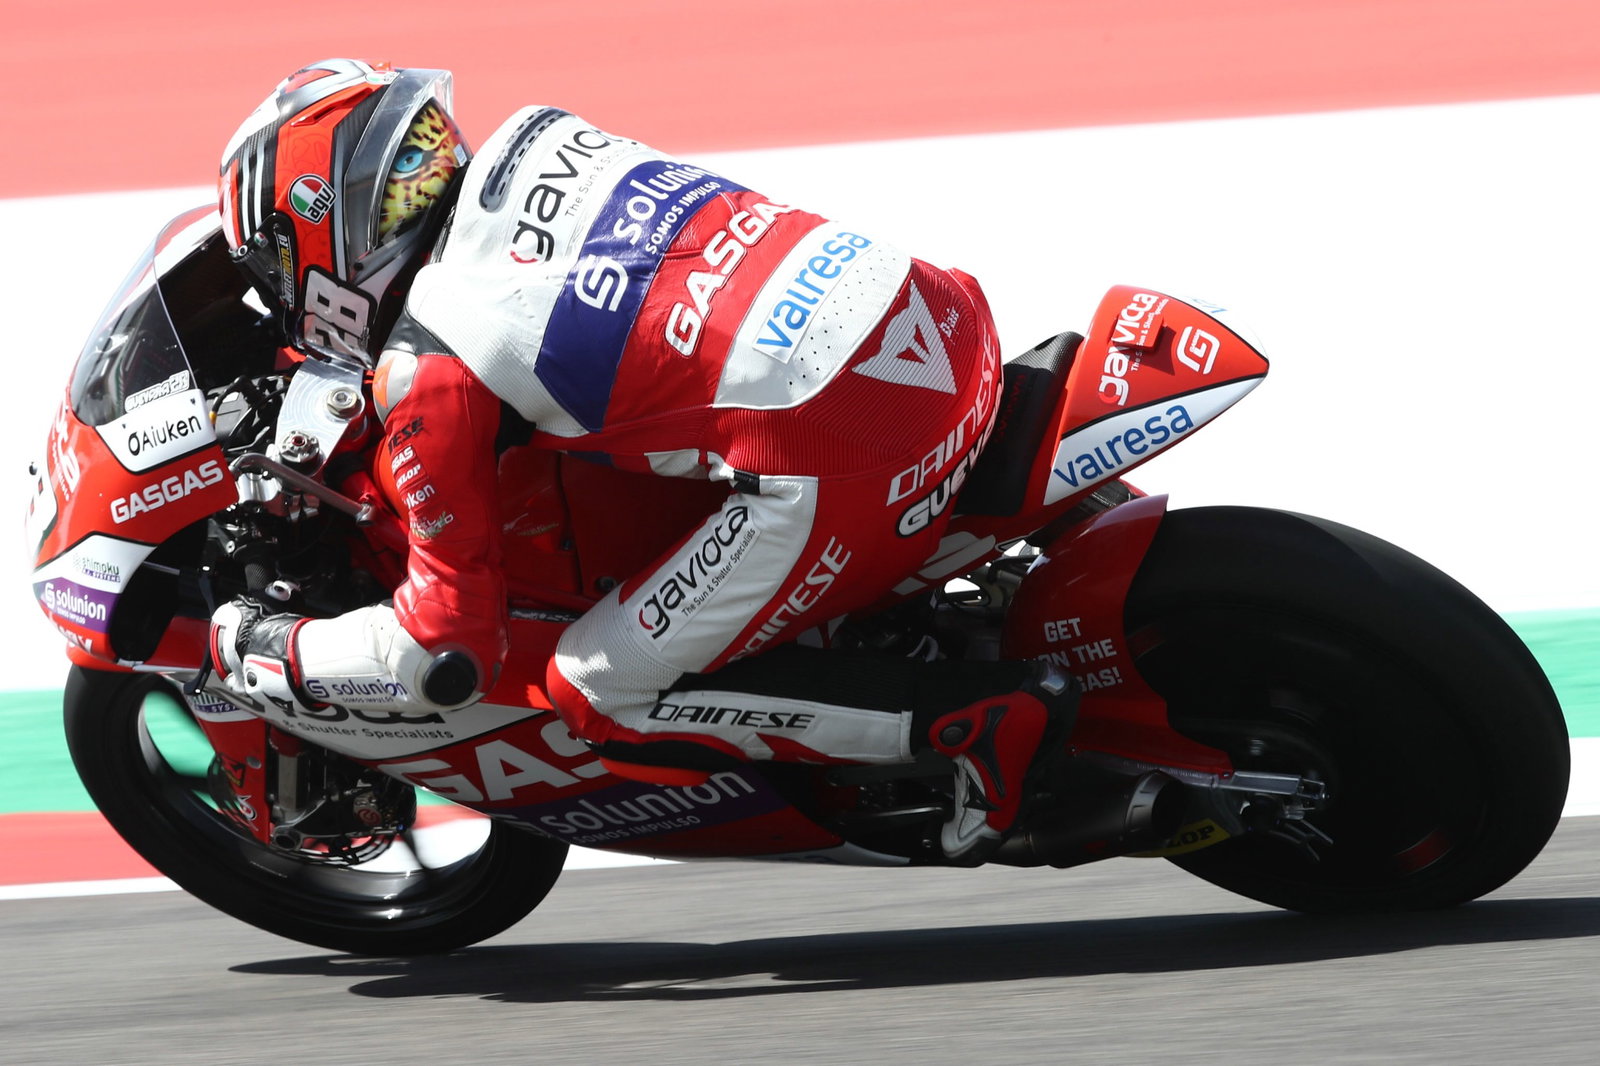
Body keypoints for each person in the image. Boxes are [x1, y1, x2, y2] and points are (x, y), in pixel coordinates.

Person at [207, 59, 1077, 863]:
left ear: (322, 235)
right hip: (942, 320)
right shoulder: (541, 136)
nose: (286, 298)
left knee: (596, 687)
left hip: (855, 447)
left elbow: (444, 649)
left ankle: (964, 722)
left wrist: (265, 651)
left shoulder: (434, 368)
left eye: (277, 269)